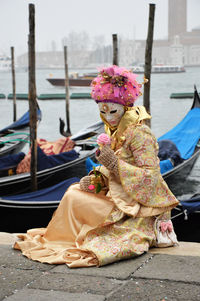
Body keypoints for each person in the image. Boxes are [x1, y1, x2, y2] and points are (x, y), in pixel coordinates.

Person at [14, 65, 179, 268]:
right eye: (103, 112)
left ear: (125, 107)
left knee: (74, 197)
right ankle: (62, 237)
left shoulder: (140, 134)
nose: (108, 117)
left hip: (133, 208)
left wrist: (114, 164)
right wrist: (97, 179)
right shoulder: (116, 131)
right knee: (74, 190)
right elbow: (111, 170)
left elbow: (152, 177)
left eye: (113, 111)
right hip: (118, 194)